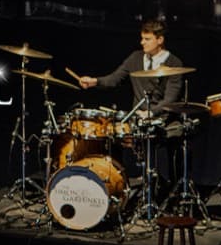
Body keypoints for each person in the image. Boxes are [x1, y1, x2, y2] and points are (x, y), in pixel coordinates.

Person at [78, 19, 185, 189]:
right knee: (112, 135)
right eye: (142, 38)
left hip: (163, 119)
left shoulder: (174, 63)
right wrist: (94, 81)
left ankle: (175, 190)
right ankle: (118, 186)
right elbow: (114, 79)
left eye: (147, 39)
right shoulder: (135, 58)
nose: (142, 42)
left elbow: (170, 99)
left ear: (160, 40)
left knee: (178, 140)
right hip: (138, 118)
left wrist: (152, 112)